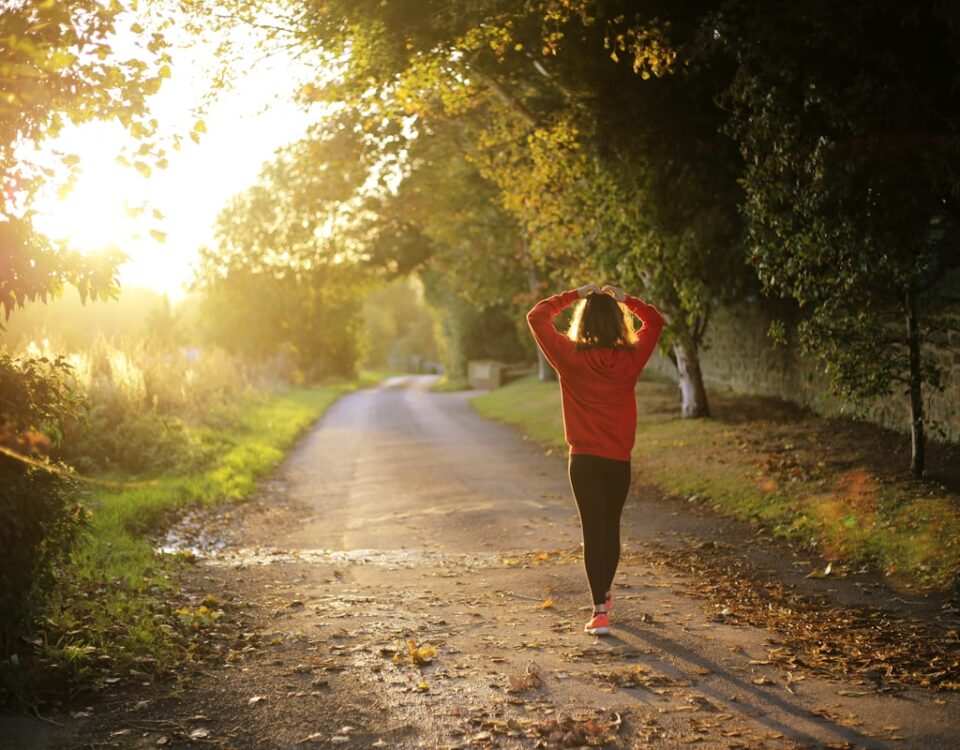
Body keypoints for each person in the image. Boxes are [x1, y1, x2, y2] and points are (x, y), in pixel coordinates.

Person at [526, 283, 664, 635]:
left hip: (584, 460)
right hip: (618, 460)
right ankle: (603, 596)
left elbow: (537, 316)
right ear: (618, 323)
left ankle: (600, 610)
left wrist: (574, 295)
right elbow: (655, 321)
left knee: (593, 530)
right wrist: (627, 300)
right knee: (610, 528)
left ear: (583, 322)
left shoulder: (569, 356)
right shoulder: (631, 358)